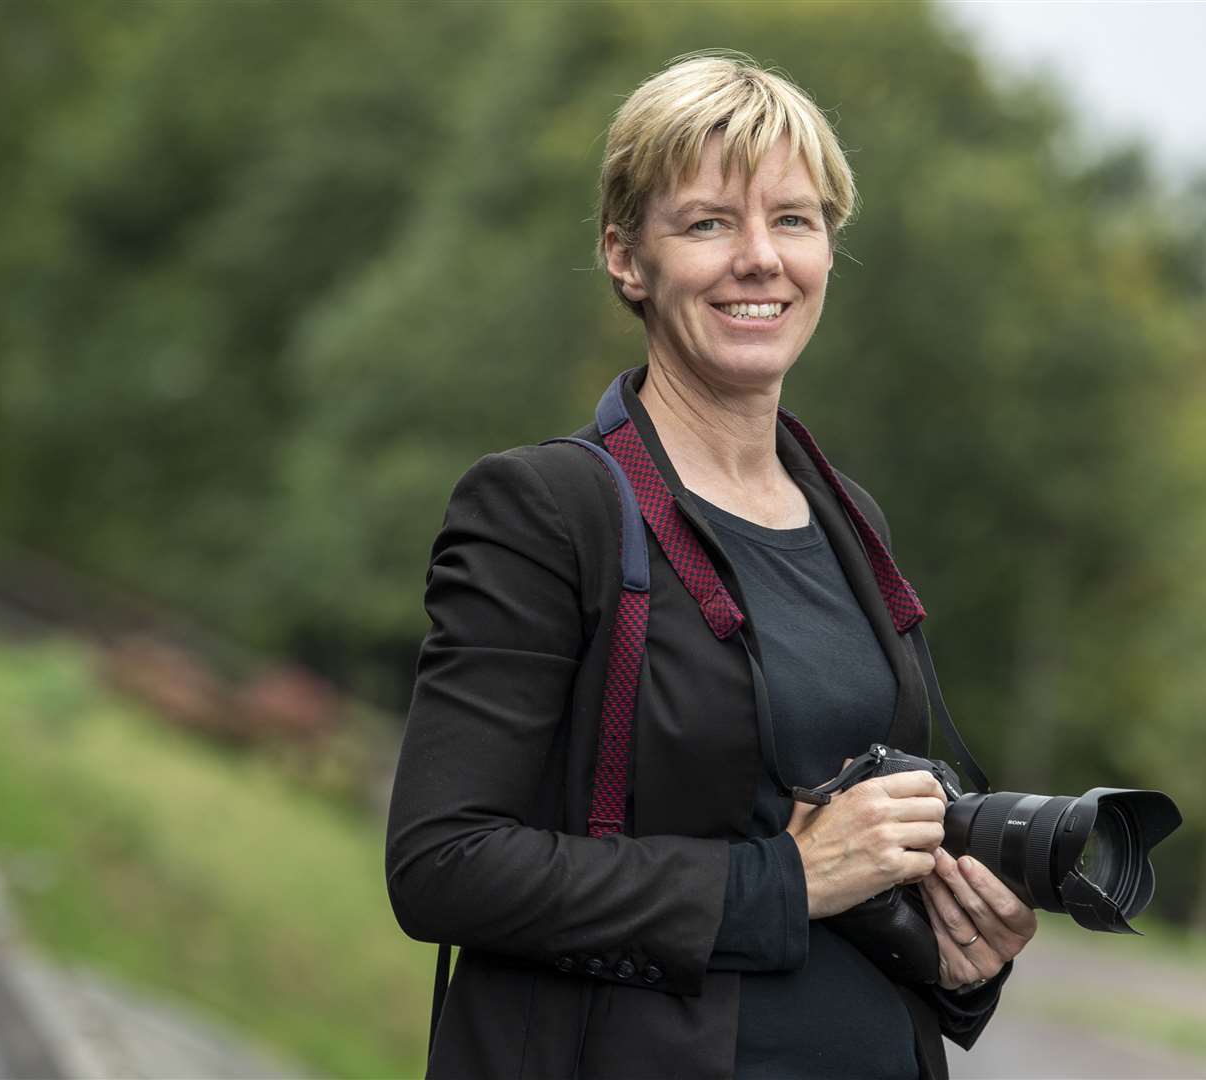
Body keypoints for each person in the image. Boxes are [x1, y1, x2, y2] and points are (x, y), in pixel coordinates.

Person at [385, 51, 1037, 1080]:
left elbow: (847, 872)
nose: (760, 259)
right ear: (626, 260)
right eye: (706, 223)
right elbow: (443, 866)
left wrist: (960, 957)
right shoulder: (547, 510)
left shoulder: (847, 520)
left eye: (793, 219)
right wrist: (783, 881)